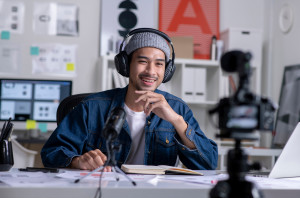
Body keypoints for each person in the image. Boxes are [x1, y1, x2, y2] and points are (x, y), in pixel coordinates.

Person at [41, 28, 218, 171]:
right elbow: (52, 152)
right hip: (103, 192)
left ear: (167, 70)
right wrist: (77, 161)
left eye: (159, 64)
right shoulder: (91, 107)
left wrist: (177, 121)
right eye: (143, 61)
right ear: (125, 65)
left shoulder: (178, 109)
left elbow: (209, 163)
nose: (151, 71)